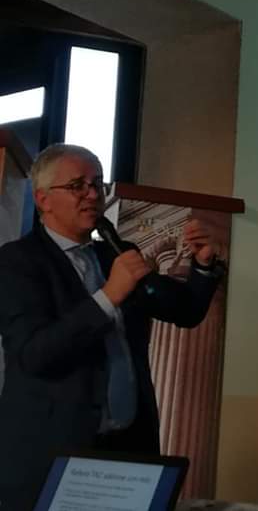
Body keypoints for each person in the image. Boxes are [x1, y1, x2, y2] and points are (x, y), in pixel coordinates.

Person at [0, 144, 225, 510]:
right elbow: (34, 355)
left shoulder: (117, 253)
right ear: (43, 199)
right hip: (52, 455)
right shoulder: (16, 261)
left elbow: (183, 311)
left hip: (128, 449)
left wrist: (202, 266)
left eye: (98, 184)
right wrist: (108, 296)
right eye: (77, 185)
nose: (92, 195)